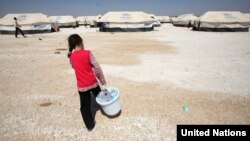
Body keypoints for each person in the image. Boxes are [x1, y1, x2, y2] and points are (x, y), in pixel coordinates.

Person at [67, 34, 106, 131]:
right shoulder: (88, 53)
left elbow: (73, 66)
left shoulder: (72, 57)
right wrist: (102, 80)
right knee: (101, 97)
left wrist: (70, 56)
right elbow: (97, 67)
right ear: (80, 42)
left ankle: (90, 126)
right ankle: (107, 110)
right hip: (93, 83)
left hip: (82, 86)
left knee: (84, 107)